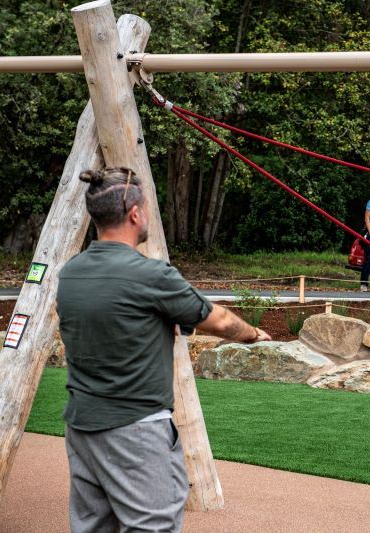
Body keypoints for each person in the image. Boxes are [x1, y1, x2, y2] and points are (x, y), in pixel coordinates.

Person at [56, 166, 271, 533]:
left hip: (82, 427)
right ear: (135, 213)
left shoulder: (71, 273)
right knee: (152, 526)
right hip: (135, 430)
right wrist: (253, 334)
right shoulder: (151, 276)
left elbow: (118, 317)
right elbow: (218, 320)